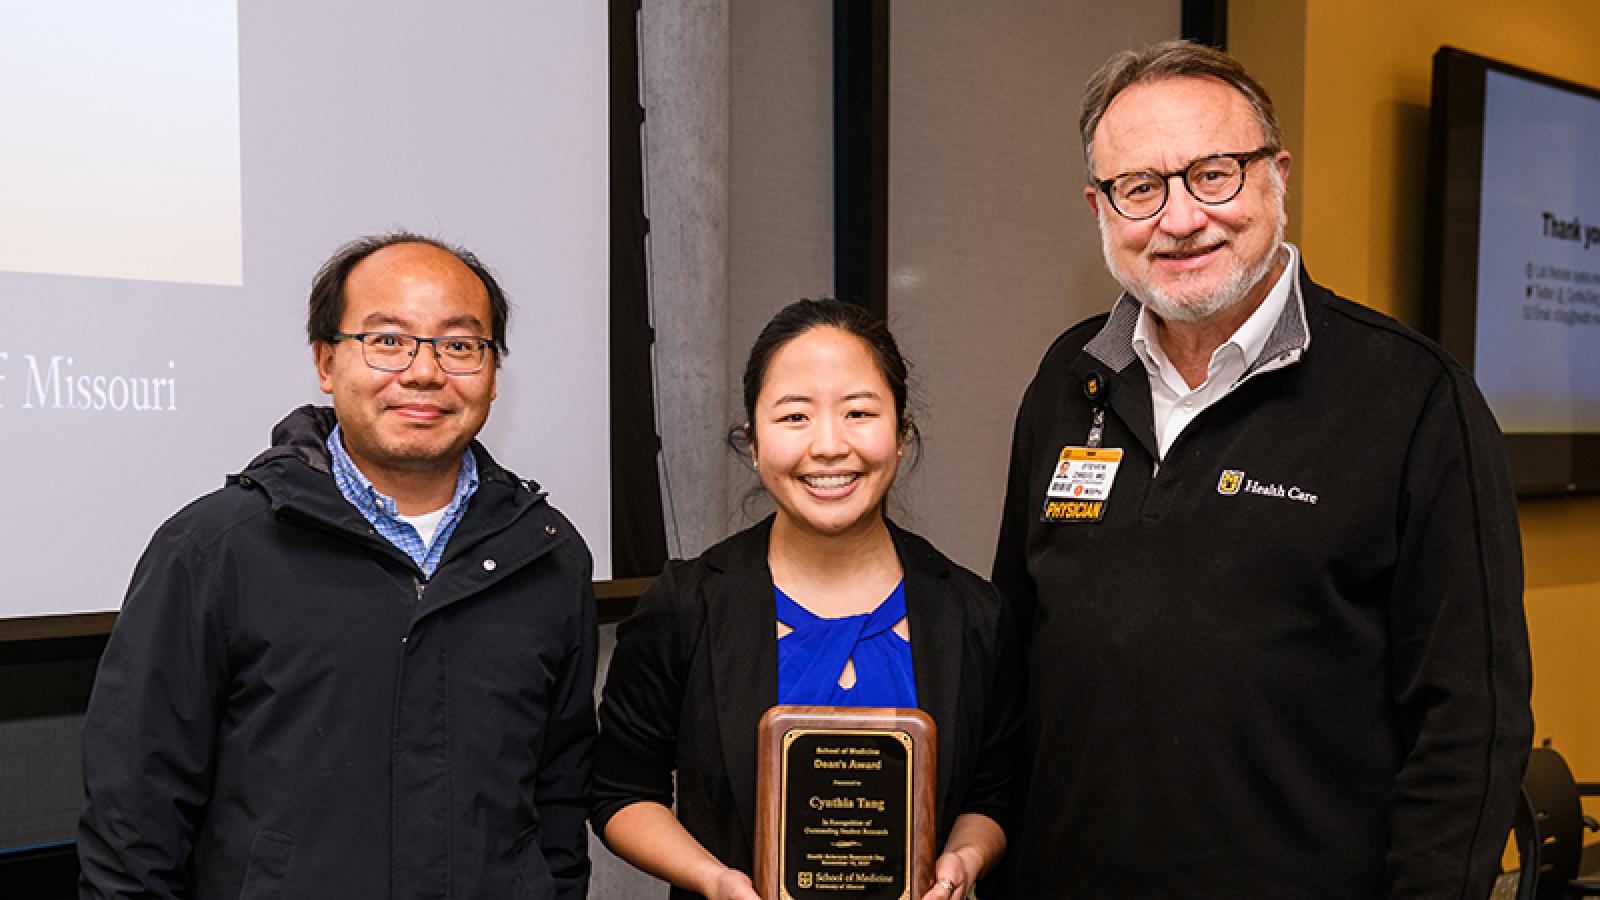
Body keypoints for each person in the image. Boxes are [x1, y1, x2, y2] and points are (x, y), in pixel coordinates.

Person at [992, 40, 1533, 899]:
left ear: (1277, 176)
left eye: (1214, 174)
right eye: (1140, 187)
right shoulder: (1071, 377)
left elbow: (1469, 723)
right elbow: (1015, 658)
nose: (1180, 219)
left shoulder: (1415, 399)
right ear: (1099, 207)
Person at [78, 233, 597, 899]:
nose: (424, 372)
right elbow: (133, 822)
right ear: (326, 362)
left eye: (460, 345)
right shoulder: (214, 549)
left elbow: (559, 803)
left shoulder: (547, 557)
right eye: (388, 340)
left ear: (493, 374)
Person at [592, 299, 1023, 900]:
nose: (828, 445)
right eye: (794, 416)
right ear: (753, 441)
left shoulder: (972, 614)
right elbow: (620, 792)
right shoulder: (687, 605)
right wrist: (714, 880)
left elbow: (994, 795)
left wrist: (964, 860)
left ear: (901, 433)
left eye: (859, 413)